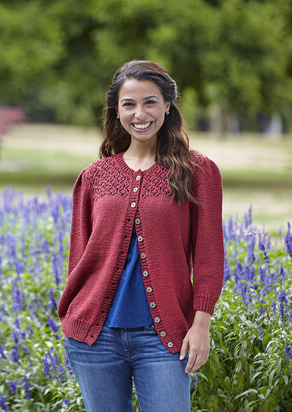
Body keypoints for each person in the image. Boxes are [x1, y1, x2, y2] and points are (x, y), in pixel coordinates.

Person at [57, 60, 224, 412]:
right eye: (129, 104)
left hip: (163, 338)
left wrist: (201, 325)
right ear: (117, 112)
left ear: (167, 105)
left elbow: (209, 255)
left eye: (150, 101)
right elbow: (79, 257)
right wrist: (72, 315)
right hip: (95, 337)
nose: (140, 113)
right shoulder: (94, 177)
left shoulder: (198, 172)